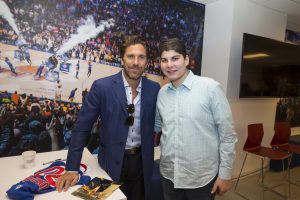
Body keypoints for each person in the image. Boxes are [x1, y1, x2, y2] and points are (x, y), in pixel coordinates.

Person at [56, 35, 160, 200]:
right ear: (122, 59)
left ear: (147, 61)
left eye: (141, 57)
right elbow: (82, 128)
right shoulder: (101, 87)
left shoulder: (154, 89)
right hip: (109, 164)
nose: (136, 62)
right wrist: (71, 168)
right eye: (130, 56)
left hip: (142, 164)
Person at [155, 38, 237, 200]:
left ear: (186, 60)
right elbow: (158, 126)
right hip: (169, 176)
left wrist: (225, 175)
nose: (169, 65)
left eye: (175, 58)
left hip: (201, 180)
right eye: (164, 60)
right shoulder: (162, 93)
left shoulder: (210, 88)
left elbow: (228, 135)